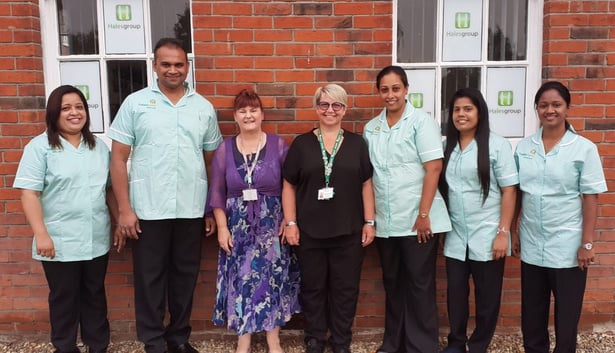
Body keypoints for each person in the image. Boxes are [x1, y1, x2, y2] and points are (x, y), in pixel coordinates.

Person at [108, 38, 222, 353]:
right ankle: (154, 341)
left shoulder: (203, 108)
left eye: (179, 64)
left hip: (190, 207)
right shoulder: (135, 103)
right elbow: (117, 159)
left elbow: (212, 162)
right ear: (155, 66)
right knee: (149, 280)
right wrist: (124, 210)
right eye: (166, 64)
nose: (173, 70)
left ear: (187, 67)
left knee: (185, 277)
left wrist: (211, 209)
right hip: (148, 208)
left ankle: (178, 339)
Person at [13, 85, 122, 353]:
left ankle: (98, 346)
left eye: (79, 107)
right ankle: (65, 347)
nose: (74, 113)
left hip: (96, 237)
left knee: (95, 296)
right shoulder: (40, 148)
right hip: (59, 241)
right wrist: (41, 234)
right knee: (64, 299)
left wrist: (119, 222)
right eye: (66, 108)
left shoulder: (98, 147)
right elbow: (29, 194)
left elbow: (108, 189)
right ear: (54, 113)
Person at [512, 81, 607, 353]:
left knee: (566, 315)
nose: (549, 110)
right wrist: (514, 230)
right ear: (536, 109)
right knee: (532, 312)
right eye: (543, 105)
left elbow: (590, 197)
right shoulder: (524, 147)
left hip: (568, 243)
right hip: (532, 241)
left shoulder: (583, 148)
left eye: (556, 105)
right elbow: (518, 192)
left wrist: (587, 243)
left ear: (567, 108)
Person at [363, 65, 451, 353]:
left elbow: (434, 167)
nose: (391, 95)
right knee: (393, 283)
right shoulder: (371, 128)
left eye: (396, 88)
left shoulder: (421, 122)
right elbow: (370, 174)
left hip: (418, 220)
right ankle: (394, 343)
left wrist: (424, 215)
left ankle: (422, 347)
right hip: (387, 220)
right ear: (379, 92)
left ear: (406, 89)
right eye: (385, 89)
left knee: (419, 284)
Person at [282, 83, 375, 353]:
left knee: (345, 290)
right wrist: (290, 223)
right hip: (310, 231)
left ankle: (340, 340)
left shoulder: (357, 143)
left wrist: (369, 221)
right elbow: (289, 184)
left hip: (348, 231)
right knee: (313, 288)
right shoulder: (302, 144)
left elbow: (366, 184)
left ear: (345, 109)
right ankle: (314, 338)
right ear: (316, 108)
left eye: (336, 105)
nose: (330, 110)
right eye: (324, 104)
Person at [209, 89, 301, 353]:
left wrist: (289, 219)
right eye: (242, 111)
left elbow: (289, 185)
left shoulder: (278, 145)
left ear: (262, 114)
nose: (248, 115)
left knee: (273, 277)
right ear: (235, 116)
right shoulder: (225, 150)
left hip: (271, 224)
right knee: (240, 279)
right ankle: (244, 338)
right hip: (237, 226)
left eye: (253, 110)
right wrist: (222, 228)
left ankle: (274, 340)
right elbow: (217, 191)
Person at [438, 88, 518, 353]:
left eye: (468, 109)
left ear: (480, 112)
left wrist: (503, 232)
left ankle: (480, 344)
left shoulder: (497, 145)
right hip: (457, 236)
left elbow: (509, 190)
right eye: (457, 110)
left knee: (487, 298)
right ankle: (457, 343)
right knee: (456, 295)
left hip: (488, 234)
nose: (462, 114)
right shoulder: (447, 146)